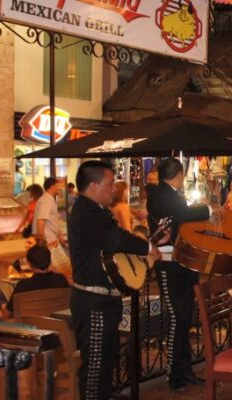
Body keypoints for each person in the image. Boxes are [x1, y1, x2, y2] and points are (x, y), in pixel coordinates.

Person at [68, 160, 160, 400]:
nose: (113, 189)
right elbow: (115, 240)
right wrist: (147, 246)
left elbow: (114, 246)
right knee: (95, 367)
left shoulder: (96, 211)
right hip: (92, 301)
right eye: (109, 184)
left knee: (106, 362)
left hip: (105, 298)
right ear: (94, 184)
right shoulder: (86, 211)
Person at [146, 158, 211, 392]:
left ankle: (186, 369)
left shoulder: (170, 194)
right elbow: (181, 215)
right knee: (177, 319)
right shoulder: (159, 195)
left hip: (183, 261)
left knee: (185, 318)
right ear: (180, 174)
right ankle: (175, 374)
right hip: (168, 263)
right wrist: (207, 208)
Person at [4, 244, 69, 318]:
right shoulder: (61, 280)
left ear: (29, 264)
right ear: (50, 261)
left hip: (31, 327)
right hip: (58, 326)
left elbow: (6, 314)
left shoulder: (23, 285)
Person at [34, 177, 66, 246]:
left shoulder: (50, 200)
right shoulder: (46, 200)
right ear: (52, 186)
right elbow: (40, 220)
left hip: (52, 240)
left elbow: (53, 220)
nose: (59, 188)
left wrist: (60, 236)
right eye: (58, 186)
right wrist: (42, 240)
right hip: (48, 241)